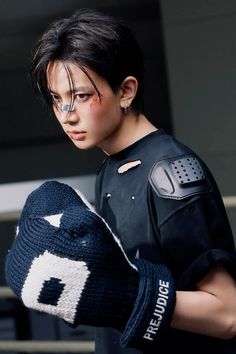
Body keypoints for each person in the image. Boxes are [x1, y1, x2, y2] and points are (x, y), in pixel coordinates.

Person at [4, 8, 236, 354]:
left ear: (126, 91)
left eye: (81, 96)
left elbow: (227, 313)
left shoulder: (169, 173)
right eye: (57, 100)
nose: (67, 115)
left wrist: (127, 295)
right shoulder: (112, 168)